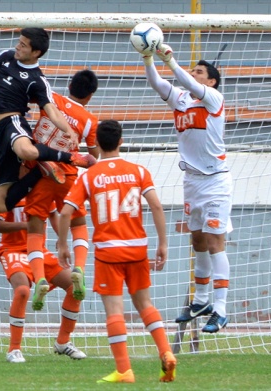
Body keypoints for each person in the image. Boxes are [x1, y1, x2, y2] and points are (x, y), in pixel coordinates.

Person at [57, 120, 176, 383]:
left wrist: (63, 245)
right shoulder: (138, 171)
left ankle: (124, 370)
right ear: (121, 141)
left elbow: (66, 212)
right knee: (145, 304)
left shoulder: (89, 176)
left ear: (96, 143)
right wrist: (163, 244)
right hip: (137, 248)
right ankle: (166, 352)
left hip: (108, 252)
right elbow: (156, 206)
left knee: (114, 311)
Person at [140, 41, 233, 333]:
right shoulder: (181, 99)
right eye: (194, 70)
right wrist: (147, 58)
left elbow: (184, 79)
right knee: (197, 241)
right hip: (191, 181)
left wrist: (171, 62)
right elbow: (156, 83)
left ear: (212, 81)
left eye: (200, 72)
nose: (195, 74)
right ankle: (201, 300)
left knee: (216, 242)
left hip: (216, 180)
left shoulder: (214, 99)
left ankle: (220, 309)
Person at [0, 27, 95, 214]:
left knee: (26, 151)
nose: (17, 47)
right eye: (19, 42)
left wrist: (69, 131)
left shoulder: (38, 80)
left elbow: (51, 110)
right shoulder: (5, 57)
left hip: (13, 121)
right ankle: (39, 171)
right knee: (0, 206)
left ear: (36, 52)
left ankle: (69, 158)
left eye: (23, 45)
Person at [24, 69, 101, 311]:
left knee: (35, 228)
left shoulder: (53, 99)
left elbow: (27, 100)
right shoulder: (90, 120)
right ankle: (79, 267)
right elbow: (94, 155)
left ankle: (39, 279)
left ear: (69, 86)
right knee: (79, 224)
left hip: (39, 171)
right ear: (90, 95)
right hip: (68, 174)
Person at [0, 198, 86, 363]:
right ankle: (14, 349)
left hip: (38, 250)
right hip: (12, 250)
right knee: (22, 290)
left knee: (75, 286)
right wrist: (27, 226)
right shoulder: (8, 192)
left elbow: (53, 215)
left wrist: (61, 240)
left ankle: (62, 342)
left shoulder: (42, 190)